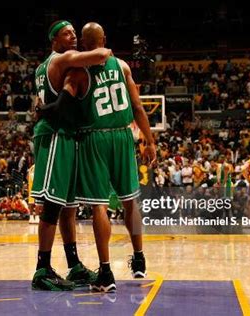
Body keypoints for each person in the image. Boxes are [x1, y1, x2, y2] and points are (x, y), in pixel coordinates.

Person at [41, 22, 156, 292]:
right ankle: (139, 259)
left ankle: (105, 272)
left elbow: (62, 107)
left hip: (94, 138)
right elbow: (138, 107)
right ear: (104, 38)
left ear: (82, 41)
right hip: (123, 135)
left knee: (99, 206)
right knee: (130, 202)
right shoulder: (123, 66)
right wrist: (149, 141)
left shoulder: (78, 72)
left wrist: (42, 109)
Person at [30, 20, 112, 291]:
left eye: (75, 33)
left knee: (68, 205)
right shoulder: (62, 59)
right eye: (67, 34)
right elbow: (100, 56)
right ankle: (42, 269)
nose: (73, 37)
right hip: (56, 134)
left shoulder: (41, 68)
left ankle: (74, 264)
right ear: (54, 39)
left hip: (60, 133)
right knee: (52, 204)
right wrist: (103, 47)